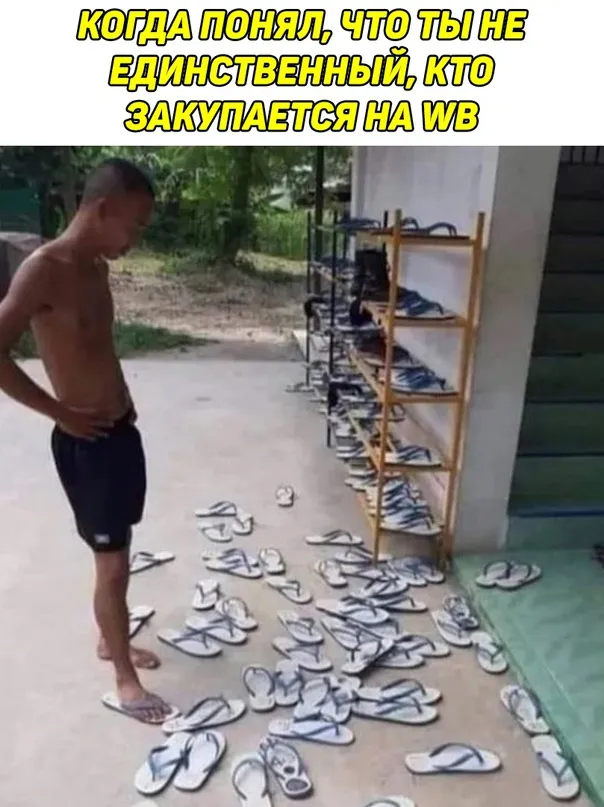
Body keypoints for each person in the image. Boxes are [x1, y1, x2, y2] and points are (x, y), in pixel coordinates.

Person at [0, 158, 174, 724]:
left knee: (119, 549)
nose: (136, 240)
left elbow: (97, 347)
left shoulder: (96, 267)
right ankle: (124, 678)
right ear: (104, 209)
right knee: (113, 566)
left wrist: (122, 398)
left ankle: (110, 637)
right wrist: (58, 412)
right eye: (135, 225)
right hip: (87, 443)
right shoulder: (43, 270)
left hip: (119, 432)